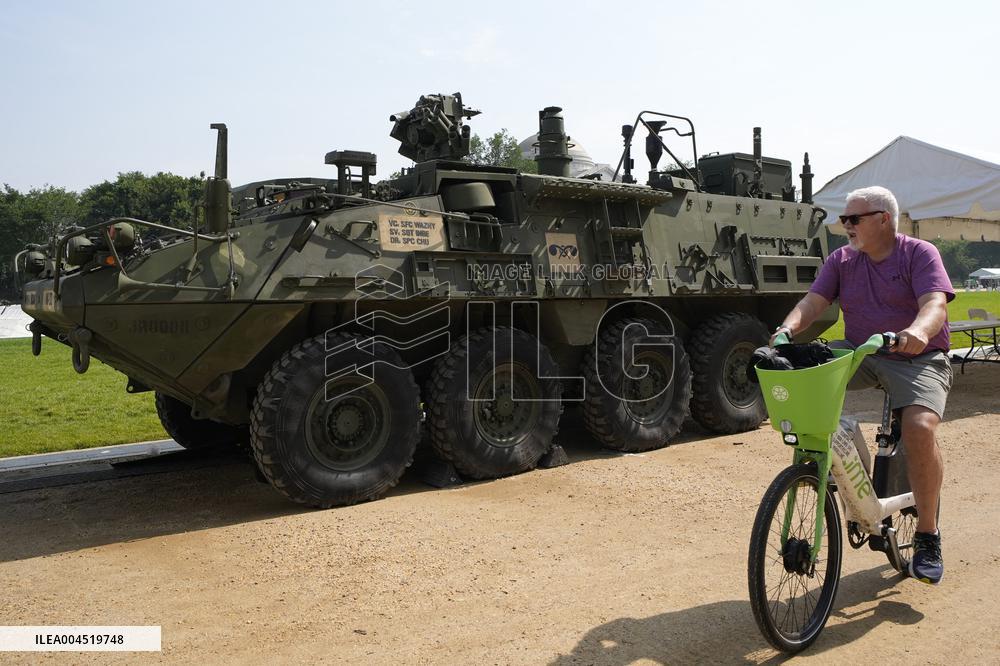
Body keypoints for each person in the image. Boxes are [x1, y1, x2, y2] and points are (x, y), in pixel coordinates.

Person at [771, 185, 953, 585]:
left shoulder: (918, 254)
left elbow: (934, 304)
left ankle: (927, 533)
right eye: (843, 219)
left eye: (854, 219)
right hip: (861, 351)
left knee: (920, 428)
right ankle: (844, 468)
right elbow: (814, 301)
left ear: (883, 219)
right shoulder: (843, 260)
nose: (845, 226)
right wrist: (786, 330)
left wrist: (917, 332)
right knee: (800, 374)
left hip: (916, 356)